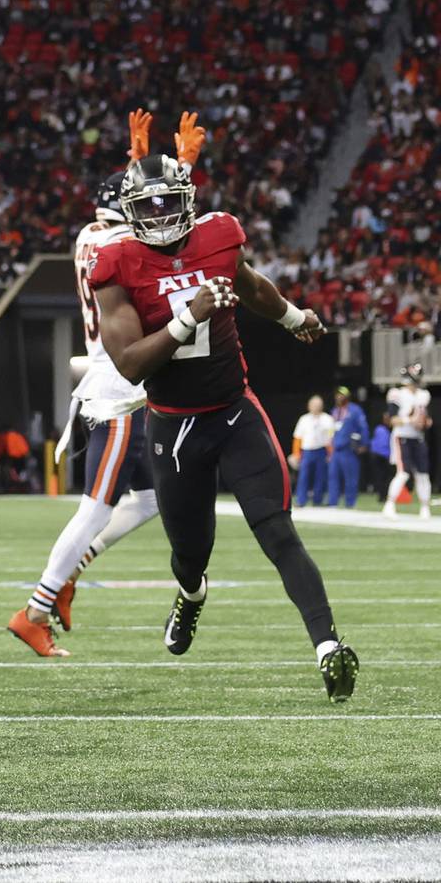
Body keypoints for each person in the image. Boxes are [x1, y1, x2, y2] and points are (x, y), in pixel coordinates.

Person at [89, 110, 358, 704]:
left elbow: (254, 284)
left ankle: (328, 645)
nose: (159, 217)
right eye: (148, 207)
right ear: (132, 212)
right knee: (191, 553)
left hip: (234, 411)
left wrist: (293, 318)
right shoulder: (114, 263)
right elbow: (131, 362)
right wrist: (190, 315)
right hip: (176, 426)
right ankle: (190, 596)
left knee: (277, 531)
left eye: (168, 204)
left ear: (187, 196)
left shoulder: (219, 234)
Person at [8, 164, 165, 658]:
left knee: (149, 499)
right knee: (95, 510)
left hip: (110, 383)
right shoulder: (124, 246)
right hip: (119, 390)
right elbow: (174, 247)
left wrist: (139, 160)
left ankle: (69, 574)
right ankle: (34, 611)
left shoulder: (89, 235)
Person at [383, 363, 432, 519]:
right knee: (403, 473)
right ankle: (389, 504)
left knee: (423, 474)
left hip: (417, 438)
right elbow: (393, 420)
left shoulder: (423, 395)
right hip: (402, 436)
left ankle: (425, 507)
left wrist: (425, 422)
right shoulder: (397, 393)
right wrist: (411, 420)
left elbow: (426, 418)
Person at [326, 386, 367, 508]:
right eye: (337, 394)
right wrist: (329, 449)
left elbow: (363, 427)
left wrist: (364, 444)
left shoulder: (355, 410)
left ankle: (350, 503)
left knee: (350, 477)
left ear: (347, 396)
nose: (339, 397)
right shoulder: (334, 411)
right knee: (333, 476)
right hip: (335, 450)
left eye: (342, 394)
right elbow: (330, 431)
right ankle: (332, 503)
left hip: (349, 449)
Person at [290, 394, 335, 508]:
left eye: (318, 405)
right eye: (314, 405)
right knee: (303, 476)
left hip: (321, 450)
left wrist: (331, 453)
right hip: (307, 451)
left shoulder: (327, 419)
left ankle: (317, 501)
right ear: (309, 406)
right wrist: (296, 454)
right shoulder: (304, 419)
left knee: (320, 477)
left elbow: (331, 438)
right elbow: (297, 438)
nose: (316, 407)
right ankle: (301, 500)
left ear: (322, 406)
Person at [369, 419, 393, 501]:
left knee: (380, 477)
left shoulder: (379, 429)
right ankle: (382, 496)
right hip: (382, 456)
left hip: (377, 455)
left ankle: (382, 496)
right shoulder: (383, 430)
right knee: (383, 477)